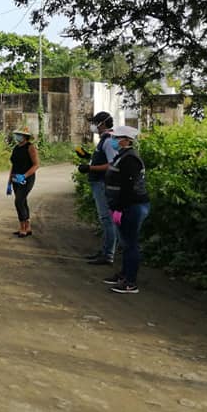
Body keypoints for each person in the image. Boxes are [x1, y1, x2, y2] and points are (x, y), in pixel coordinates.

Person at [101, 126, 150, 294]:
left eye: (117, 138)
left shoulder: (131, 159)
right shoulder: (122, 156)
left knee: (130, 243)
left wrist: (119, 208)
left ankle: (130, 282)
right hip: (124, 206)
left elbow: (128, 187)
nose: (114, 140)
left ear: (127, 140)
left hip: (132, 206)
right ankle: (124, 275)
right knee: (126, 242)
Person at [76, 111, 119, 265]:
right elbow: (103, 159)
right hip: (99, 183)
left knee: (107, 219)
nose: (93, 125)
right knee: (105, 219)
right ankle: (105, 251)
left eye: (95, 123)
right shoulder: (105, 140)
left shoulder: (109, 140)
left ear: (103, 123)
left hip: (103, 183)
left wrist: (90, 168)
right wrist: (88, 157)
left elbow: (113, 164)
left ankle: (108, 255)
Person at [8, 127, 40, 237]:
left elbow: (36, 165)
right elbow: (13, 165)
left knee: (19, 201)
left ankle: (23, 227)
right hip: (15, 178)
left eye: (20, 135)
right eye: (17, 134)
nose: (17, 136)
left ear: (25, 136)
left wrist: (24, 176)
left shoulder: (30, 147)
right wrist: (9, 182)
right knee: (23, 201)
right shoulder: (16, 148)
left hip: (27, 178)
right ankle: (27, 226)